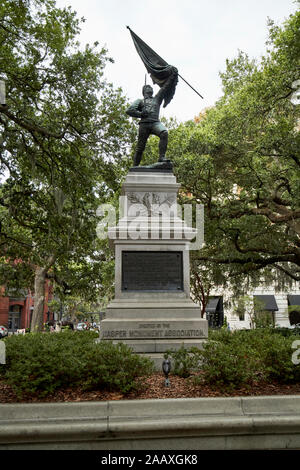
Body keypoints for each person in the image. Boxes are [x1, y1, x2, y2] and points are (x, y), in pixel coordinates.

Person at [126, 67, 178, 166]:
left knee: (164, 133)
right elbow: (129, 110)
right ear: (144, 91)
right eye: (148, 87)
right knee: (140, 147)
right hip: (144, 124)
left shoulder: (157, 98)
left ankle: (161, 157)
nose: (150, 88)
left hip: (155, 122)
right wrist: (140, 114)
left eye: (151, 87)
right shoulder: (140, 101)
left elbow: (165, 87)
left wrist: (173, 75)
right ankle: (135, 166)